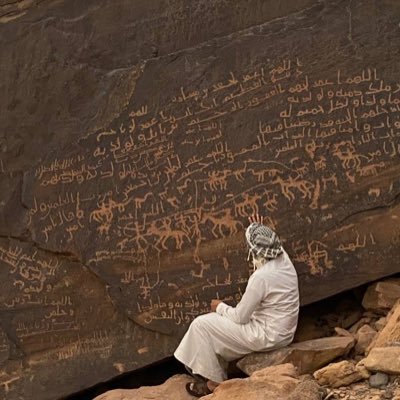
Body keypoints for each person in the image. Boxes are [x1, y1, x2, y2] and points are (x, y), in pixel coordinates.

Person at [174, 214, 300, 397]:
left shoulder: (261, 277)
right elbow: (267, 241)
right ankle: (212, 365)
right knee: (214, 326)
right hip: (285, 332)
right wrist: (257, 226)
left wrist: (219, 306)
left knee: (202, 324)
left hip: (267, 334)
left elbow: (241, 317)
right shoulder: (283, 258)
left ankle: (215, 381)